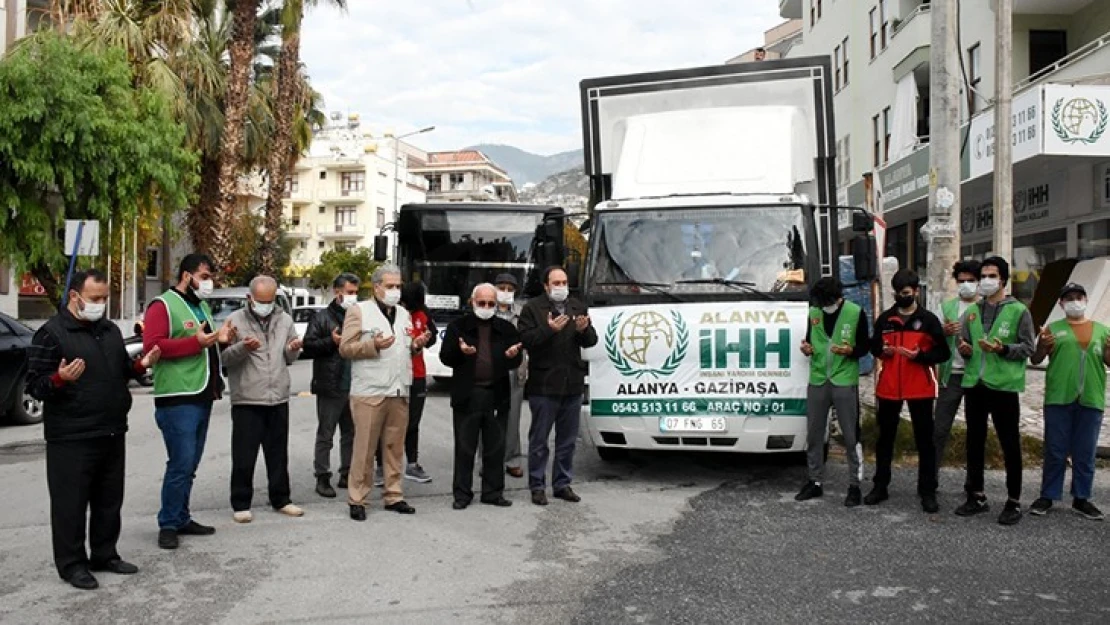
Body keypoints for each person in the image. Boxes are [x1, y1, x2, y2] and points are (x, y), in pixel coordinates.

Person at [27, 269, 160, 590]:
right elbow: (35, 386)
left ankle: (105, 553)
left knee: (108, 499)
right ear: (75, 297)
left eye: (104, 298)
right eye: (94, 298)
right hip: (71, 435)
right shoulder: (51, 334)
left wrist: (141, 365)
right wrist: (60, 379)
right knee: (70, 504)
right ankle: (72, 564)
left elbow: (121, 371)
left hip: (112, 429)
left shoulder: (110, 330)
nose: (100, 304)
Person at [144, 253, 235, 550]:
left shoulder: (201, 305)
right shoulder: (163, 305)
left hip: (201, 394)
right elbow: (153, 346)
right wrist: (195, 343)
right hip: (177, 396)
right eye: (204, 276)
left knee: (191, 463)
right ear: (187, 276)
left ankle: (181, 516)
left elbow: (206, 342)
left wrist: (221, 338)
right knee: (180, 463)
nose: (208, 283)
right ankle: (168, 523)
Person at [339, 264, 428, 521]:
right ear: (376, 286)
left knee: (394, 447)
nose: (395, 291)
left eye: (398, 286)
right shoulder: (359, 311)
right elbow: (346, 347)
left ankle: (394, 494)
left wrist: (417, 345)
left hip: (398, 388)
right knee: (365, 448)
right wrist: (372, 345)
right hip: (369, 390)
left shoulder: (403, 314)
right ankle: (358, 498)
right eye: (389, 286)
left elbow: (405, 346)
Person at [956, 256, 1035, 525]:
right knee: (974, 442)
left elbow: (1028, 348)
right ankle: (975, 495)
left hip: (1003, 387)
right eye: (983, 276)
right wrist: (964, 349)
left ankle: (1013, 501)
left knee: (1009, 444)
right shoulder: (972, 312)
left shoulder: (1019, 311)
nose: (986, 281)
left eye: (991, 276)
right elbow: (964, 345)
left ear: (1003, 279)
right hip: (975, 386)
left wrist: (1003, 349)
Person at [221, 276, 305, 523]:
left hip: (278, 396)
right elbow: (224, 359)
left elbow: (289, 358)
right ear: (250, 298)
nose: (265, 306)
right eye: (261, 301)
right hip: (247, 398)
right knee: (244, 455)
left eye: (270, 301)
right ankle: (241, 503)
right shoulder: (234, 320)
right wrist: (243, 348)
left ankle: (281, 499)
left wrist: (294, 348)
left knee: (278, 453)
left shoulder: (285, 319)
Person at [868, 270, 950, 513]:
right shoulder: (885, 319)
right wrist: (883, 350)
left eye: (905, 293)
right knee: (885, 440)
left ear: (915, 291)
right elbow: (874, 348)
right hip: (889, 387)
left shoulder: (928, 320)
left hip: (920, 387)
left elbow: (943, 353)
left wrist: (921, 357)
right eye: (897, 293)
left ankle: (927, 490)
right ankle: (880, 486)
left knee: (925, 442)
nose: (901, 297)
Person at [440, 283, 524, 509]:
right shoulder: (458, 327)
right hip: (467, 395)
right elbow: (445, 357)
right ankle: (462, 494)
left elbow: (515, 359)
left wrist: (511, 356)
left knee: (495, 447)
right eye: (482, 303)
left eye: (490, 304)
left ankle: (493, 492)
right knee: (465, 448)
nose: (486, 307)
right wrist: (461, 352)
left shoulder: (505, 328)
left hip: (496, 394)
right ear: (472, 302)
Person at [1029, 283, 1108, 521]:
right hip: (1059, 396)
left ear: (1085, 299)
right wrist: (1042, 345)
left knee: (1086, 451)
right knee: (1055, 449)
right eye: (1069, 298)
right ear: (1062, 304)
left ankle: (1082, 498)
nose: (1074, 301)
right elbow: (1036, 357)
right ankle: (1048, 495)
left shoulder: (1102, 331)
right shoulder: (1052, 329)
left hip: (1091, 398)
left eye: (1078, 296)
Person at [519, 266, 598, 506]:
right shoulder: (532, 308)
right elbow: (526, 340)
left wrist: (584, 330)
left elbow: (591, 341)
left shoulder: (577, 306)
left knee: (567, 440)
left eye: (564, 282)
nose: (561, 287)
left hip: (571, 383)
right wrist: (549, 330)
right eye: (556, 283)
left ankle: (562, 483)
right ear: (546, 286)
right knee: (540, 440)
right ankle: (537, 485)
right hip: (544, 385)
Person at [796, 276, 869, 506]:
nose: (821, 306)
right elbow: (810, 341)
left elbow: (866, 346)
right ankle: (814, 481)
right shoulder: (814, 313)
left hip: (844, 380)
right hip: (818, 379)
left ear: (838, 298)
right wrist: (806, 349)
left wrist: (851, 350)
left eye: (825, 301)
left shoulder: (855, 312)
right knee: (815, 434)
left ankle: (854, 486)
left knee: (850, 435)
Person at [302, 273, 360, 498]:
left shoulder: (360, 316)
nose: (353, 297)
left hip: (355, 385)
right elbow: (308, 346)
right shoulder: (322, 318)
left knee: (351, 433)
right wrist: (331, 341)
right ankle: (322, 476)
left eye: (356, 293)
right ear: (338, 292)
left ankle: (346, 472)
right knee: (326, 433)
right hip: (330, 384)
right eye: (350, 292)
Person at [933, 260, 982, 481]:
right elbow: (931, 340)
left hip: (977, 376)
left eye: (971, 281)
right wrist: (943, 332)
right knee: (939, 430)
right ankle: (929, 478)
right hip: (950, 374)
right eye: (961, 281)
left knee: (976, 433)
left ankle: (973, 484)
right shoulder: (947, 307)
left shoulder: (986, 308)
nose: (966, 285)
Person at [400, 281, 436, 483]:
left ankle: (412, 464)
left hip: (418, 374)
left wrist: (426, 339)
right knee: (389, 422)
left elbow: (432, 336)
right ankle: (380, 465)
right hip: (395, 374)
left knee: (413, 422)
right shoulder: (393, 313)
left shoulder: (423, 313)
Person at [494, 273, 527, 478]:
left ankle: (512, 459)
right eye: (502, 287)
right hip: (490, 370)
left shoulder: (522, 313)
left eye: (510, 288)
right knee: (487, 417)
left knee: (512, 417)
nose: (505, 292)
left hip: (515, 370)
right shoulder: (486, 308)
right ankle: (486, 460)